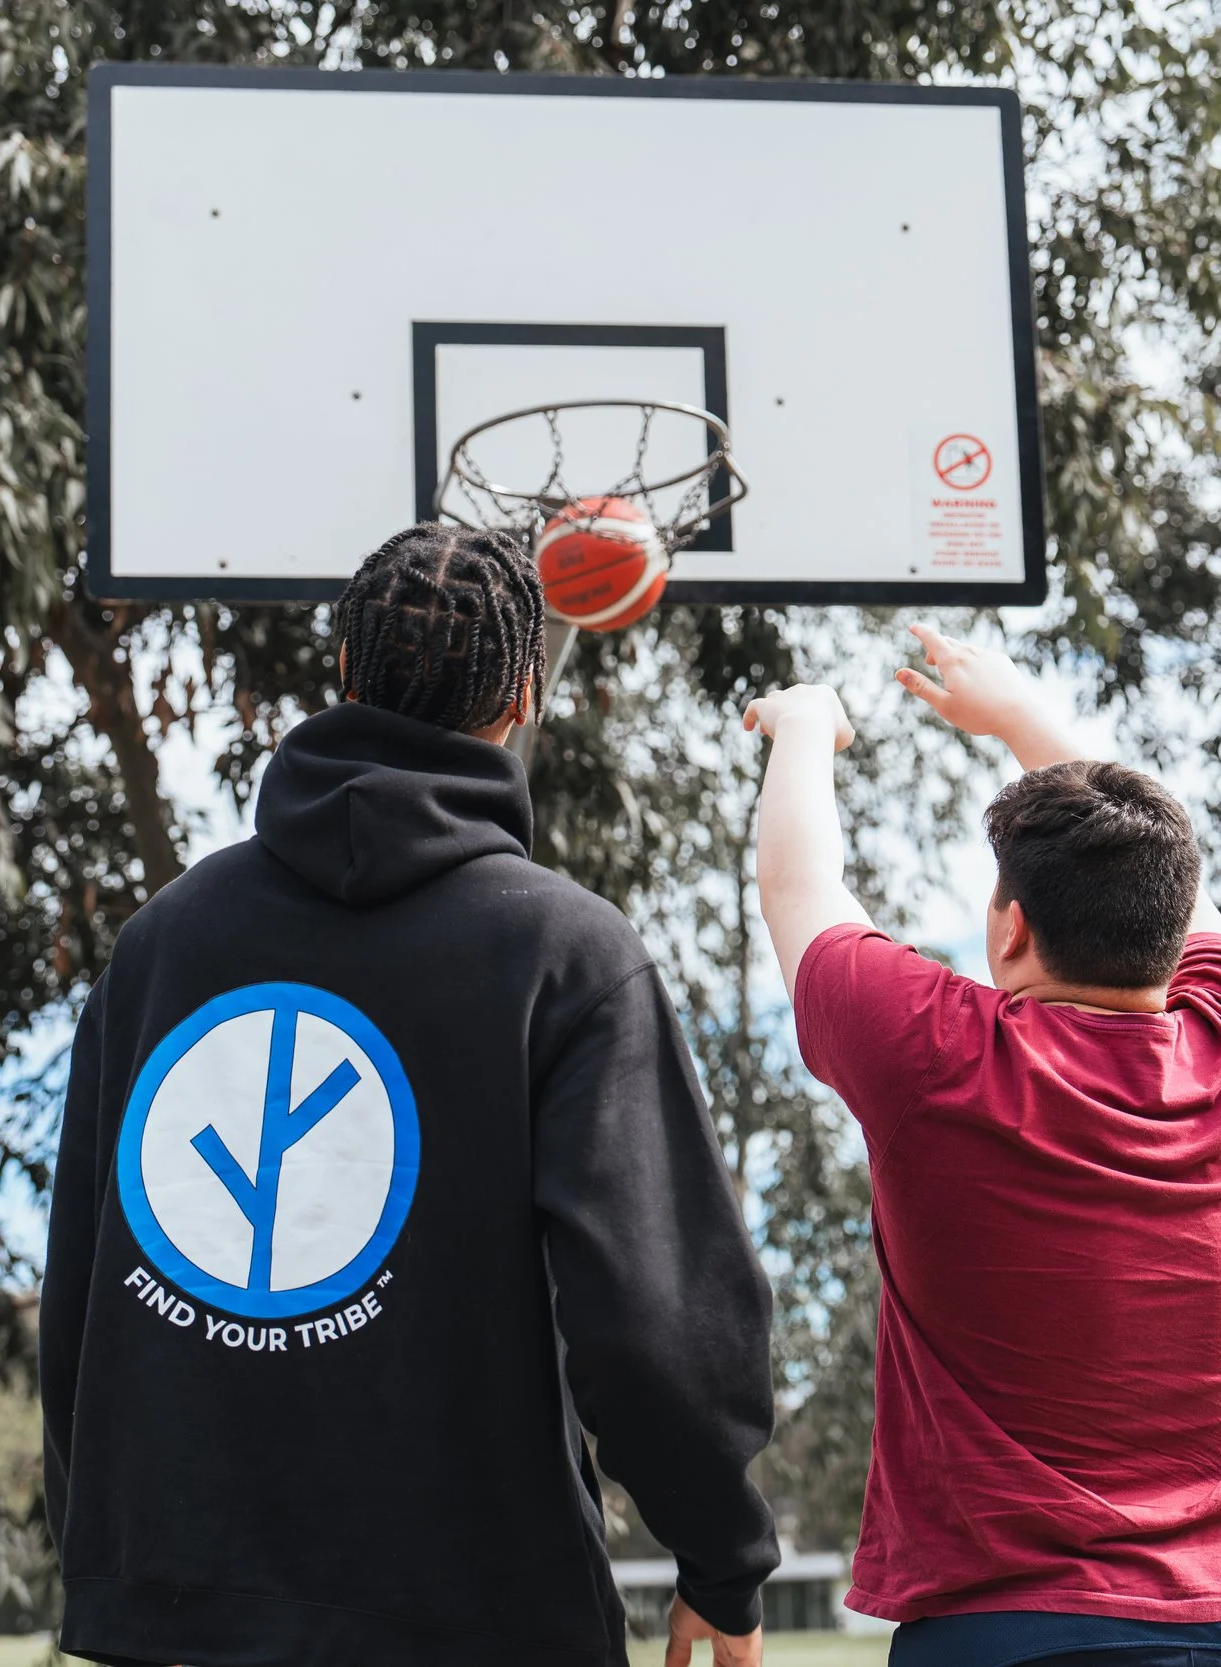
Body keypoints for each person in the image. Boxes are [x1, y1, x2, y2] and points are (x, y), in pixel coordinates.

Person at [41, 524, 778, 1667]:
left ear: (342, 673)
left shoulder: (161, 944)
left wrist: (116, 1560)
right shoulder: (566, 952)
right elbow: (651, 1321)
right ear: (525, 690)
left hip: (179, 1613)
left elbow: (85, 1279)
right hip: (478, 1616)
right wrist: (720, 1557)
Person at [742, 625, 1221, 1667]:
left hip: (1006, 1628)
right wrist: (1014, 712)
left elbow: (796, 884)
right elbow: (1176, 888)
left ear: (1007, 930)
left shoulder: (935, 1056)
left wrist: (800, 722)